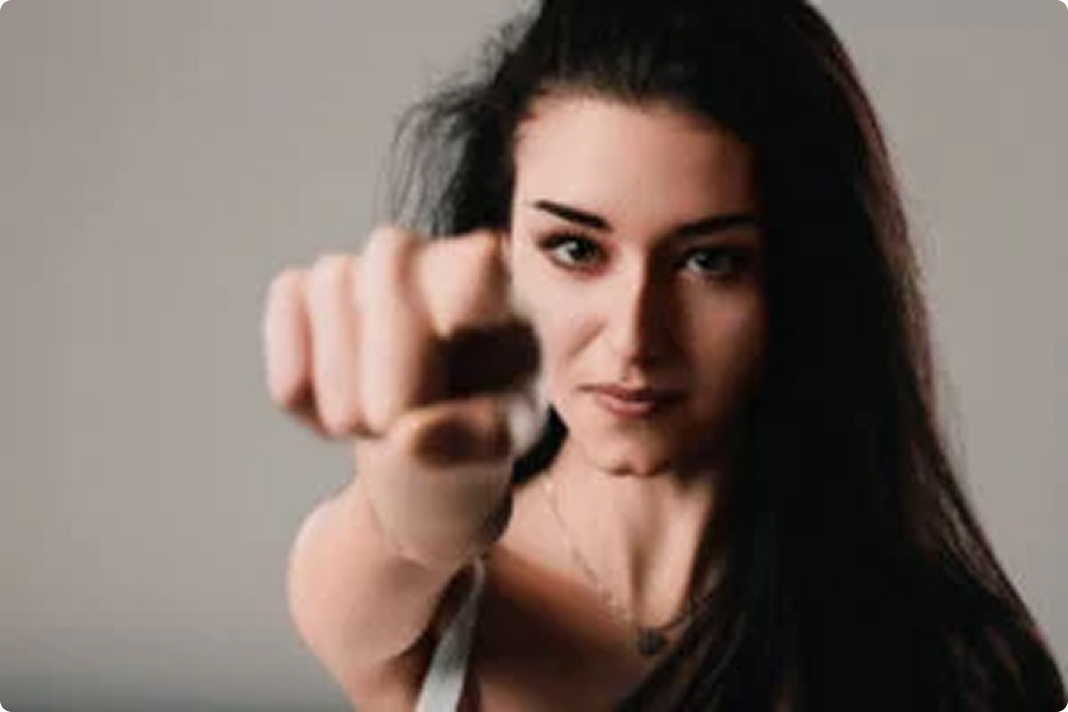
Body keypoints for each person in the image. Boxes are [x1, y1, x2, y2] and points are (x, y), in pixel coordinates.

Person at [265, 0, 1068, 709]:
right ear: (501, 250)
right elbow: (368, 563)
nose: (634, 336)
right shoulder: (437, 613)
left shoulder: (955, 665)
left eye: (709, 261)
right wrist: (424, 496)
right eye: (576, 248)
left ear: (802, 276)